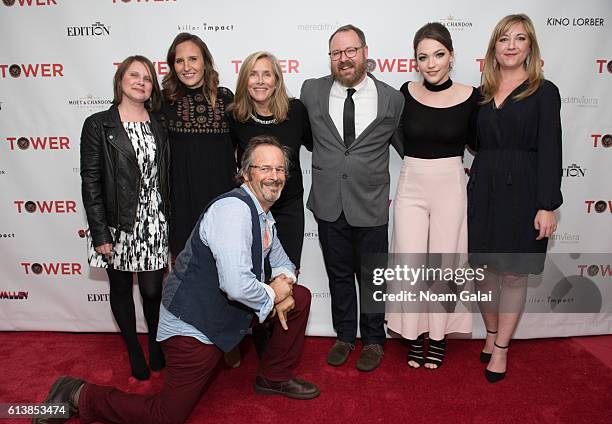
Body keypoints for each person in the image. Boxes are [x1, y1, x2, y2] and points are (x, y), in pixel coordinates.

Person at [34, 136, 319, 424]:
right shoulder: (233, 211)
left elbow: (284, 262)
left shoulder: (263, 216)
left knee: (300, 297)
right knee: (165, 417)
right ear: (245, 173)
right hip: (192, 326)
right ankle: (77, 393)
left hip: (225, 315)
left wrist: (284, 286)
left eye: (280, 169)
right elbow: (235, 285)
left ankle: (273, 377)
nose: (274, 176)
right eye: (265, 168)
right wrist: (274, 292)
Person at [300, 24, 404, 372]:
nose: (344, 59)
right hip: (329, 202)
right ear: (330, 57)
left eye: (350, 51)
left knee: (373, 276)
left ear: (364, 51)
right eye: (336, 53)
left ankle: (374, 340)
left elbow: (407, 146)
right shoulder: (311, 91)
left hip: (372, 203)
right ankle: (344, 335)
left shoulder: (392, 97)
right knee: (338, 274)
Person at [468, 14, 562, 383]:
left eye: (519, 39)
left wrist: (547, 204)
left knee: (512, 272)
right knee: (484, 269)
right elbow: (474, 142)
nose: (511, 45)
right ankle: (491, 334)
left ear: (530, 47)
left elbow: (551, 150)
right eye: (504, 38)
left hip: (524, 191)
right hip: (484, 187)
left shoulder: (544, 90)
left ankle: (502, 348)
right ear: (494, 46)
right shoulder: (482, 92)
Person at [386, 23, 478, 369]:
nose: (431, 63)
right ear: (416, 61)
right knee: (410, 263)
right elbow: (396, 133)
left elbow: (476, 143)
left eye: (438, 55)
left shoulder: (472, 96)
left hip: (450, 182)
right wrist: (412, 160)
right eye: (423, 57)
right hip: (411, 181)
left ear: (451, 56)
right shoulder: (405, 92)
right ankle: (414, 333)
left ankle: (438, 336)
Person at [80, 55, 169, 381]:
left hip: (154, 219)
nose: (141, 82)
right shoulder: (98, 124)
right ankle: (134, 349)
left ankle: (156, 343)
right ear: (120, 80)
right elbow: (90, 181)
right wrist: (100, 233)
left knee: (151, 291)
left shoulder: (159, 123)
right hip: (117, 222)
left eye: (147, 78)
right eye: (134, 75)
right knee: (120, 288)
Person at [228, 51, 312, 271]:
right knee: (252, 275)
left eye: (267, 74)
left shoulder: (296, 111)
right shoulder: (235, 116)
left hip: (289, 208)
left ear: (277, 80)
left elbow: (316, 145)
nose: (260, 81)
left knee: (287, 276)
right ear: (245, 80)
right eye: (253, 74)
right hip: (251, 209)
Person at [161, 32, 236, 258]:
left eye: (193, 59)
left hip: (222, 205)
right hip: (182, 207)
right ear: (173, 66)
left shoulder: (225, 98)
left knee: (227, 278)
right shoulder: (163, 101)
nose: (187, 67)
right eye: (179, 61)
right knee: (185, 281)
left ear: (205, 61)